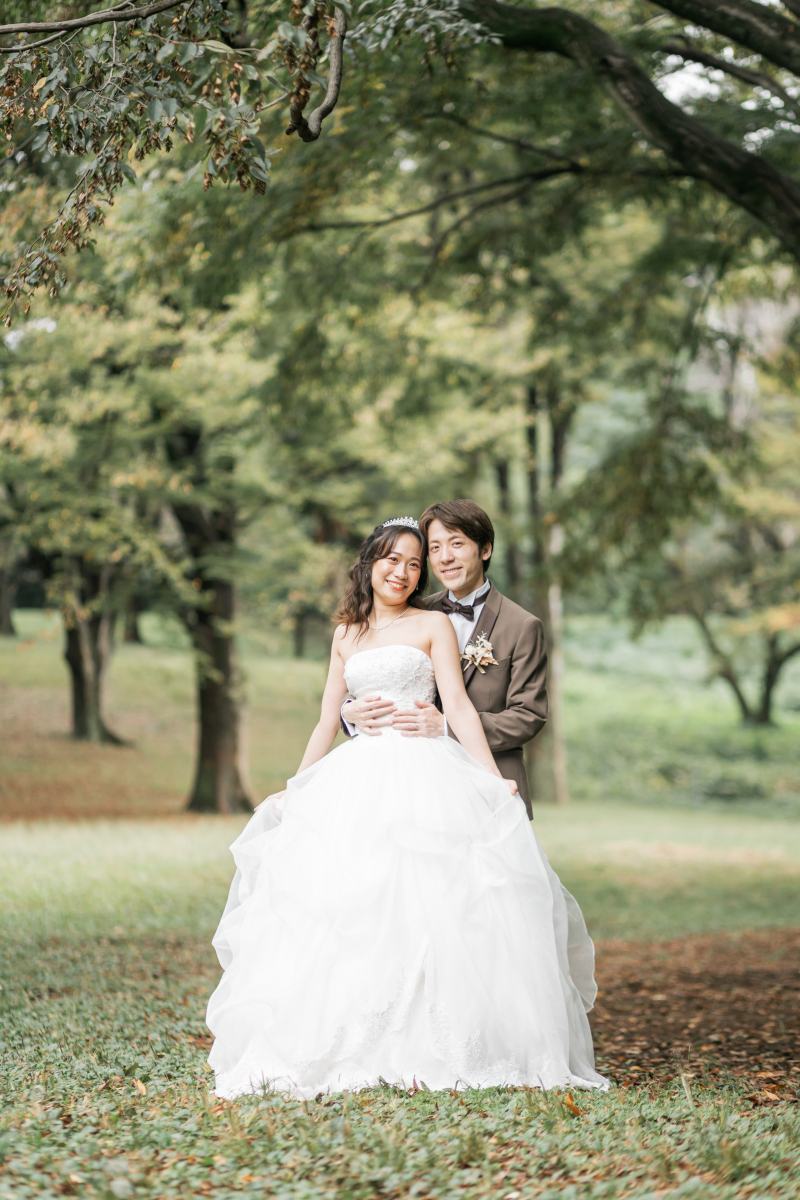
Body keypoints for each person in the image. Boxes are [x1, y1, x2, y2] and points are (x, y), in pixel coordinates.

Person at [206, 517, 607, 1099]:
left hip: (427, 772)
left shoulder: (434, 624)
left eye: (415, 563)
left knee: (439, 905)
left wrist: (493, 783)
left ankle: (444, 1039)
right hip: (359, 778)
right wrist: (299, 785)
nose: (404, 570)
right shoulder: (346, 632)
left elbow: (464, 710)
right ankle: (349, 1035)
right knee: (351, 904)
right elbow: (328, 717)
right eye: (393, 559)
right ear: (369, 562)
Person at [342, 500, 546, 818]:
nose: (445, 557)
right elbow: (374, 671)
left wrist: (446, 726)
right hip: (417, 786)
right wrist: (348, 711)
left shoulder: (522, 626)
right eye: (434, 547)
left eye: (457, 543)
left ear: (485, 549)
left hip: (487, 781)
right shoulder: (416, 610)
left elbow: (528, 716)